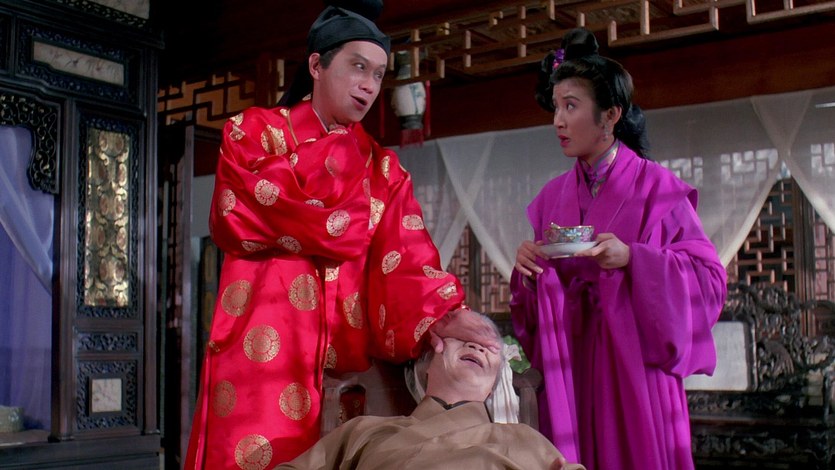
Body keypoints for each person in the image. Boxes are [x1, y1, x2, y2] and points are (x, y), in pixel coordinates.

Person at [184, 1, 499, 468]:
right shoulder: (254, 133)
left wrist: (445, 314)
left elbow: (406, 257)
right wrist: (338, 177)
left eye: (378, 74)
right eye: (358, 67)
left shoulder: (385, 169)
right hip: (262, 349)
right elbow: (238, 215)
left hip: (345, 368)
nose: (369, 85)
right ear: (316, 65)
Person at [511, 28, 727, 470]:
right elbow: (533, 304)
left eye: (571, 106)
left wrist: (634, 259)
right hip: (571, 365)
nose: (558, 121)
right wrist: (527, 270)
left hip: (635, 369)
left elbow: (709, 281)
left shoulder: (657, 188)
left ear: (610, 115)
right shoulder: (552, 197)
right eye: (556, 106)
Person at [278, 314, 585, 470]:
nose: (476, 346)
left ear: (495, 381)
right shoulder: (364, 431)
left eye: (488, 345)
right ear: (425, 362)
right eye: (461, 339)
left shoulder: (522, 438)